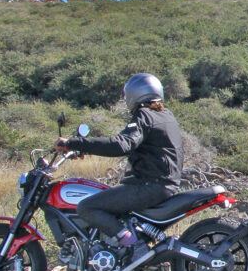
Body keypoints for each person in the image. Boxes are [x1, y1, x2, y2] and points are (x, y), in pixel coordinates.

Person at [55, 73, 184, 254]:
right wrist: (85, 149)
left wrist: (73, 143)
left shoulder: (144, 115)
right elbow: (146, 147)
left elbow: (121, 145)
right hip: (162, 184)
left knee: (87, 207)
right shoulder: (165, 115)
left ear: (134, 94)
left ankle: (134, 246)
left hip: (149, 186)